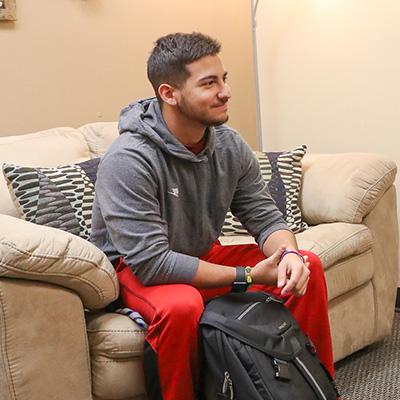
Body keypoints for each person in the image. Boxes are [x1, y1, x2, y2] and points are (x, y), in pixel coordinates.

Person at [90, 32, 334, 400]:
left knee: (306, 265)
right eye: (209, 83)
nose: (225, 92)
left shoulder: (228, 144)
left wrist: (287, 255)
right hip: (134, 268)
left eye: (224, 79)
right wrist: (249, 275)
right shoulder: (129, 159)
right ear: (169, 94)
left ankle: (316, 389)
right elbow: (152, 263)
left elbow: (264, 216)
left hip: (201, 255)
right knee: (181, 306)